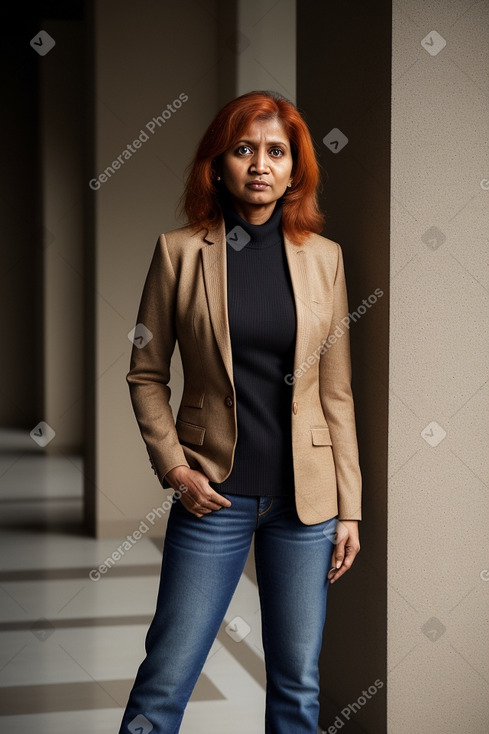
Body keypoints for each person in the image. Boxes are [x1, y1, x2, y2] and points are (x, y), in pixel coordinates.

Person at [118, 89, 362, 734]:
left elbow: (335, 394)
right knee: (165, 678)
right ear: (219, 164)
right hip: (214, 495)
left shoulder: (324, 258)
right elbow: (146, 375)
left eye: (276, 152)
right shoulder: (179, 252)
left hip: (306, 507)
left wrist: (351, 506)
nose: (261, 164)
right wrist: (175, 469)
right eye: (244, 149)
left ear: (293, 169)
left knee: (298, 686)